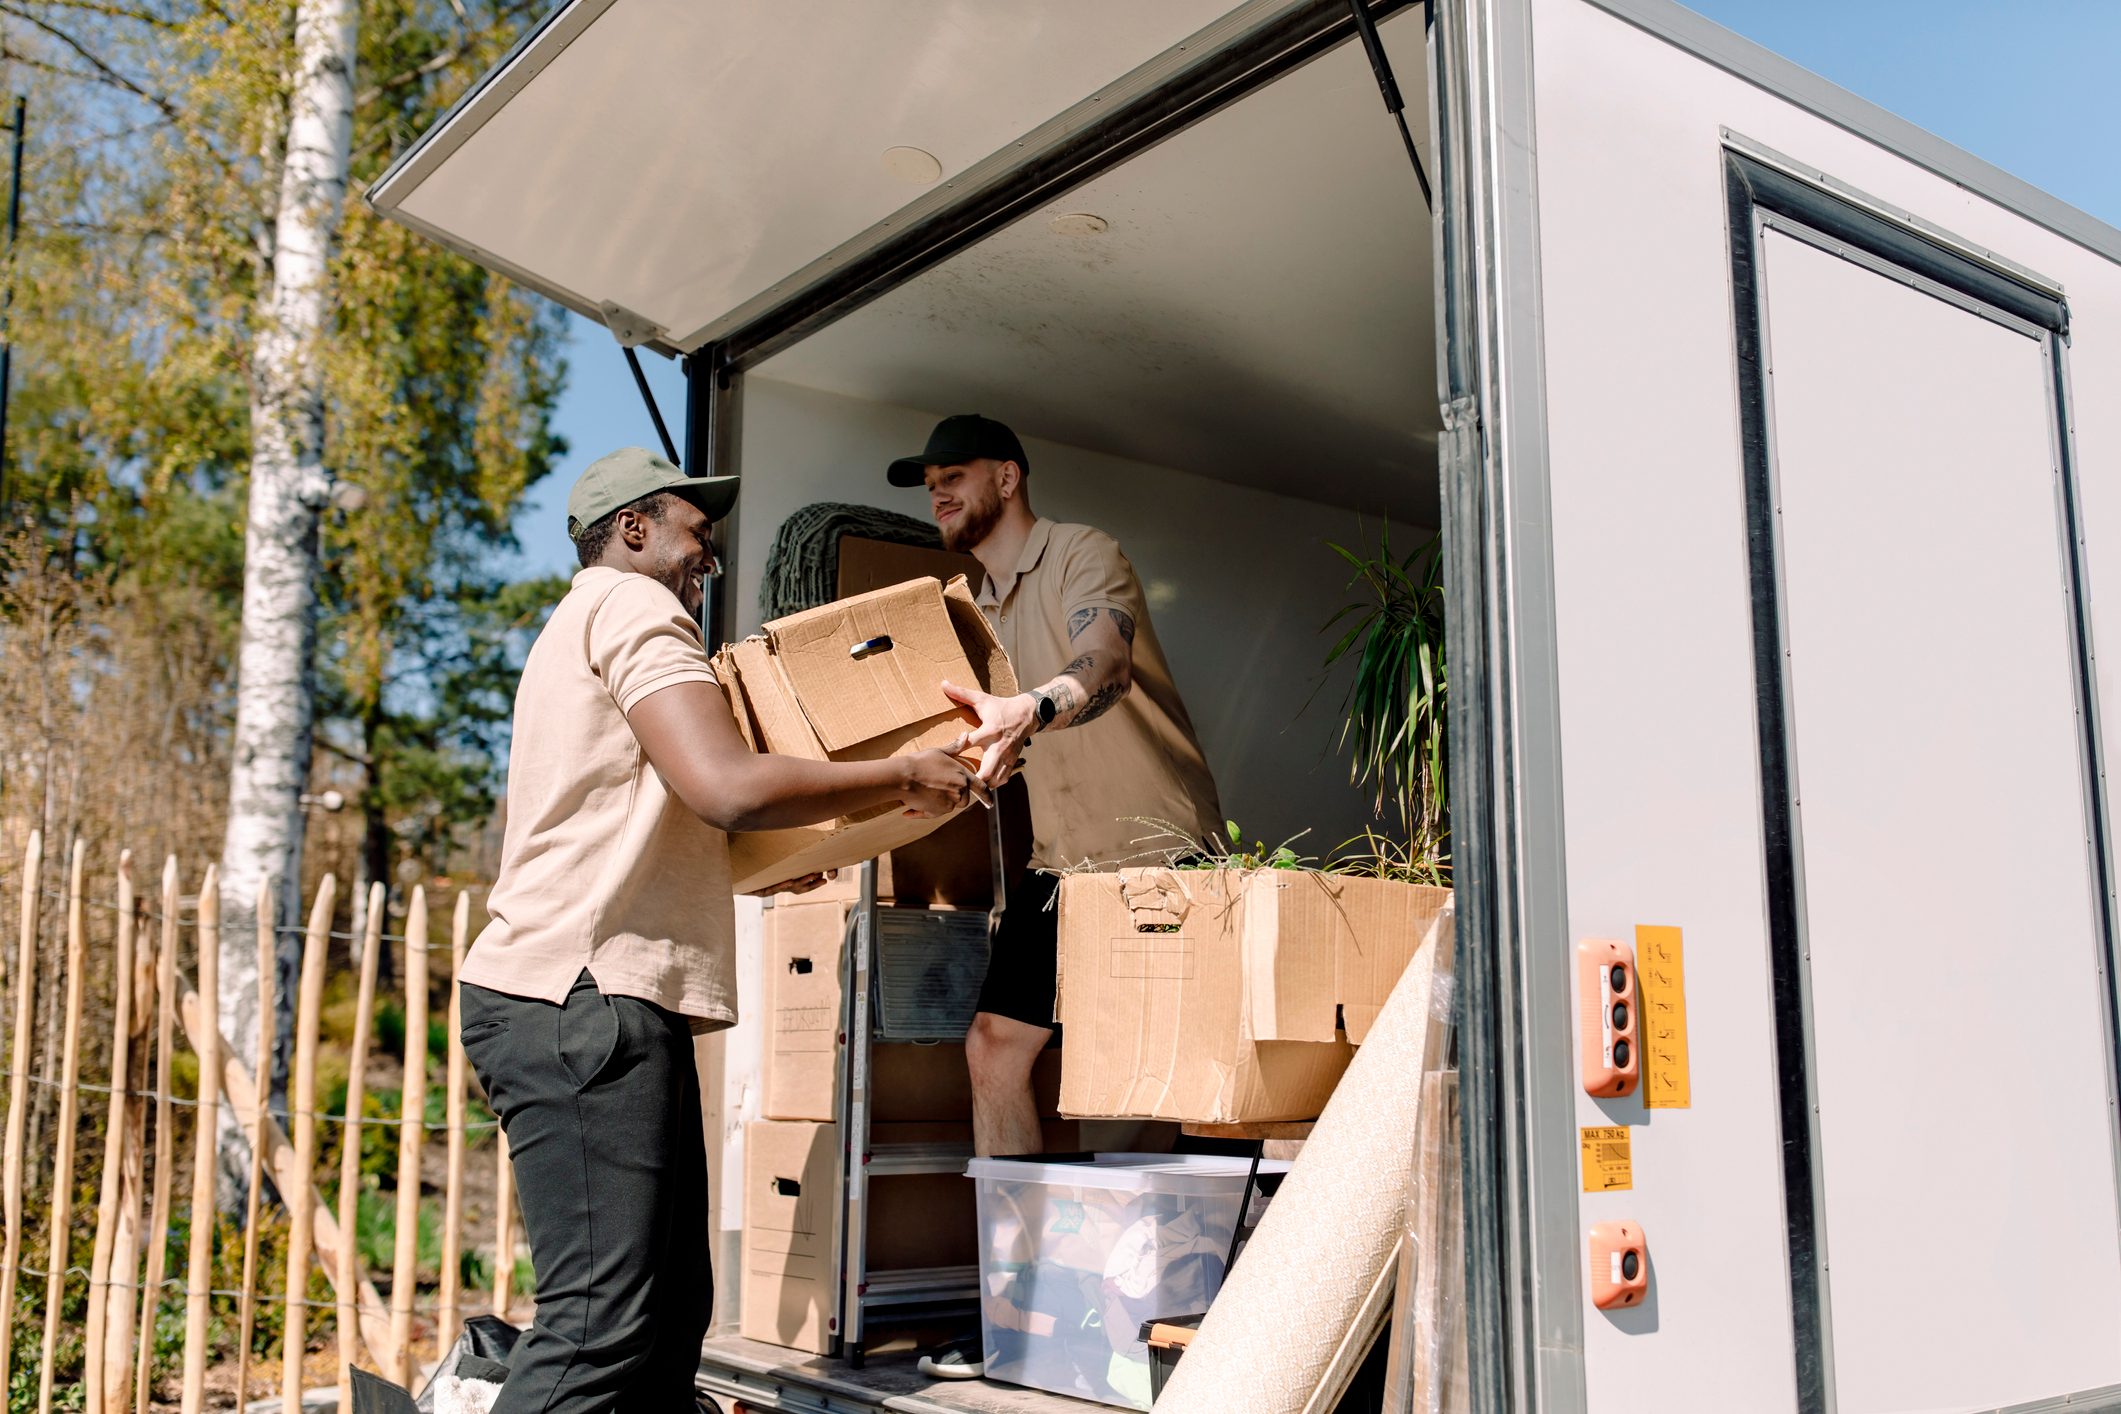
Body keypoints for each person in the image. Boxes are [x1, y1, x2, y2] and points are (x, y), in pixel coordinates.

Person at [457, 446, 983, 1413]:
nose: (710, 554)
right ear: (632, 529)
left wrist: (788, 848)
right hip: (580, 999)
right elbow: (726, 785)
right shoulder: (632, 607)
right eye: (696, 533)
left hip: (587, 1002)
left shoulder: (576, 628)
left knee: (666, 1318)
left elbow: (655, 817)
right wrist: (905, 771)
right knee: (599, 1327)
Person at [886, 415, 1224, 1159]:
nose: (937, 496)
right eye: (930, 487)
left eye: (953, 478)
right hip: (1061, 866)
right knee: (993, 1048)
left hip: (1156, 856)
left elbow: (1103, 662)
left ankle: (1150, 1265)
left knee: (1146, 1073)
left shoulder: (1082, 552)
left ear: (1007, 478)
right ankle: (1017, 1268)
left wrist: (1033, 708)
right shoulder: (974, 606)